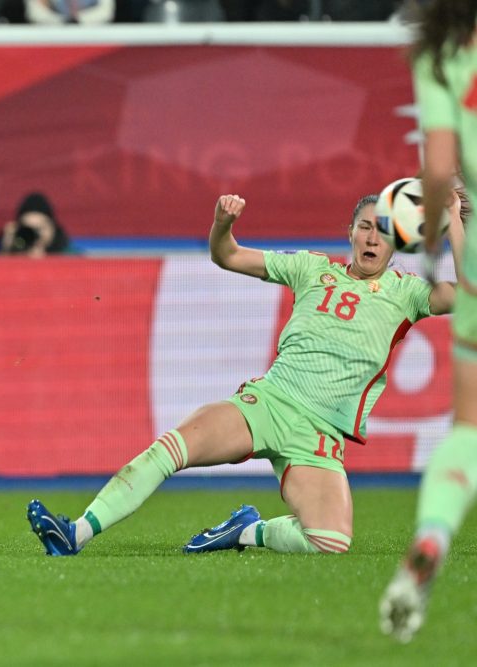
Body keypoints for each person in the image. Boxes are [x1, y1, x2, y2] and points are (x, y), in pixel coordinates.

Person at [28, 190, 463, 559]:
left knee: (330, 541)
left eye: (383, 231)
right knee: (173, 447)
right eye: (364, 226)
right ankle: (75, 533)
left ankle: (245, 530)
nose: (372, 237)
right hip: (269, 403)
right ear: (350, 233)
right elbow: (227, 255)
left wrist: (457, 222)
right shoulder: (312, 269)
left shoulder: (408, 293)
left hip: (319, 437)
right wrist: (221, 225)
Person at [380, 0, 477, 643]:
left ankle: (431, 540)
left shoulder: (442, 51)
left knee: (468, 429)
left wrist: (437, 243)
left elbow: (438, 170)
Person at [0, 192, 72, 257]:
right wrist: (6, 249)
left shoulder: (70, 253)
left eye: (39, 229)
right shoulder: (11, 248)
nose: (33, 235)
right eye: (28, 229)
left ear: (52, 228)